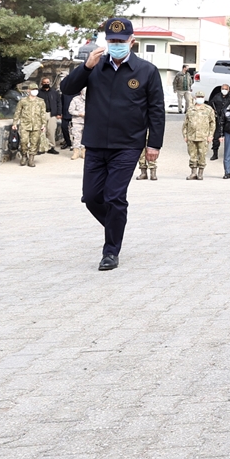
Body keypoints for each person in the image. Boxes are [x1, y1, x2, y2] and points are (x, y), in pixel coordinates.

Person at [61, 18, 166, 271]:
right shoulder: (95, 67)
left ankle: (110, 252)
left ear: (131, 41)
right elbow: (66, 89)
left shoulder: (146, 71)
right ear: (106, 41)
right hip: (96, 143)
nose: (116, 45)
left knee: (115, 197)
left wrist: (154, 145)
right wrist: (85, 67)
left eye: (120, 41)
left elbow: (157, 110)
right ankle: (116, 225)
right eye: (111, 41)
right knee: (91, 197)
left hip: (128, 145)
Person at [11, 82, 47, 167]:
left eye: (36, 89)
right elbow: (17, 112)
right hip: (25, 124)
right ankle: (24, 156)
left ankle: (31, 158)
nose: (35, 91)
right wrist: (15, 123)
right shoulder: (23, 101)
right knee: (24, 141)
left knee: (34, 142)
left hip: (37, 125)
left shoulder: (41, 101)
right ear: (28, 90)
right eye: (33, 89)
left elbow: (43, 113)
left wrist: (43, 124)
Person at [182, 92, 215, 180]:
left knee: (202, 155)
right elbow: (185, 123)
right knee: (192, 155)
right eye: (198, 97)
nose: (200, 98)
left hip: (203, 136)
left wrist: (210, 135)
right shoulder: (190, 109)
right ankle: (193, 173)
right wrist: (185, 135)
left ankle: (200, 173)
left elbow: (212, 123)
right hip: (191, 136)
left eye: (202, 97)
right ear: (195, 98)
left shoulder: (208, 109)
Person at [207, 82, 230, 160]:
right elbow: (210, 104)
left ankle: (229, 155)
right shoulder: (217, 96)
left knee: (229, 138)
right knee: (216, 138)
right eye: (223, 89)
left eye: (226, 89)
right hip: (218, 119)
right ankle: (215, 154)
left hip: (228, 120)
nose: (224, 90)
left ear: (229, 90)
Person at [38, 76, 62, 154]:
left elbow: (59, 103)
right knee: (42, 131)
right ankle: (41, 147)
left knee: (51, 131)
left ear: (50, 83)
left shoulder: (54, 92)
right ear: (42, 83)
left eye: (47, 82)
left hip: (52, 114)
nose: (46, 84)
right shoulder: (38, 93)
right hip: (42, 114)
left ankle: (51, 147)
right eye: (44, 83)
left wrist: (59, 113)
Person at [68, 89, 86, 160]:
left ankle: (84, 152)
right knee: (76, 137)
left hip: (88, 121)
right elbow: (70, 110)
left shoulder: (91, 99)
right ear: (81, 92)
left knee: (85, 137)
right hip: (77, 121)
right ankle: (75, 152)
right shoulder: (75, 99)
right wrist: (79, 113)